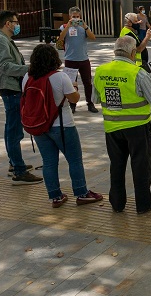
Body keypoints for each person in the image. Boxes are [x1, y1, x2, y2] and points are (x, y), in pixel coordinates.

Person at [23, 44, 104, 208]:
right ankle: (82, 193)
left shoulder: (27, 77)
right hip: (63, 125)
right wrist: (75, 88)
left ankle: (55, 196)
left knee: (49, 162)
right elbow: (74, 99)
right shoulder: (60, 77)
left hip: (38, 126)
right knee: (74, 160)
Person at [92, 36, 151, 214]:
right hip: (137, 127)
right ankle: (143, 204)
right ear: (132, 52)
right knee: (141, 166)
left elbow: (95, 99)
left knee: (117, 165)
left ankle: (117, 203)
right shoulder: (137, 73)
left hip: (112, 128)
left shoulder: (100, 71)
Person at [0, 10, 43, 184]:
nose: (18, 25)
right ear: (8, 24)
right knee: (14, 130)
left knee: (11, 127)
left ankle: (14, 163)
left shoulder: (3, 39)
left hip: (13, 87)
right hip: (10, 88)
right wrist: (30, 69)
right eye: (16, 22)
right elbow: (5, 66)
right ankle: (18, 170)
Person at [58, 6, 98, 114]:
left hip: (84, 59)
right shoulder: (64, 27)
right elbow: (60, 39)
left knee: (87, 82)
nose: (75, 19)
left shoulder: (83, 27)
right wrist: (68, 27)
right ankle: (72, 104)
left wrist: (85, 26)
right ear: (70, 16)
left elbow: (93, 37)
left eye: (77, 17)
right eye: (73, 17)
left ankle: (90, 103)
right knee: (71, 83)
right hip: (70, 59)